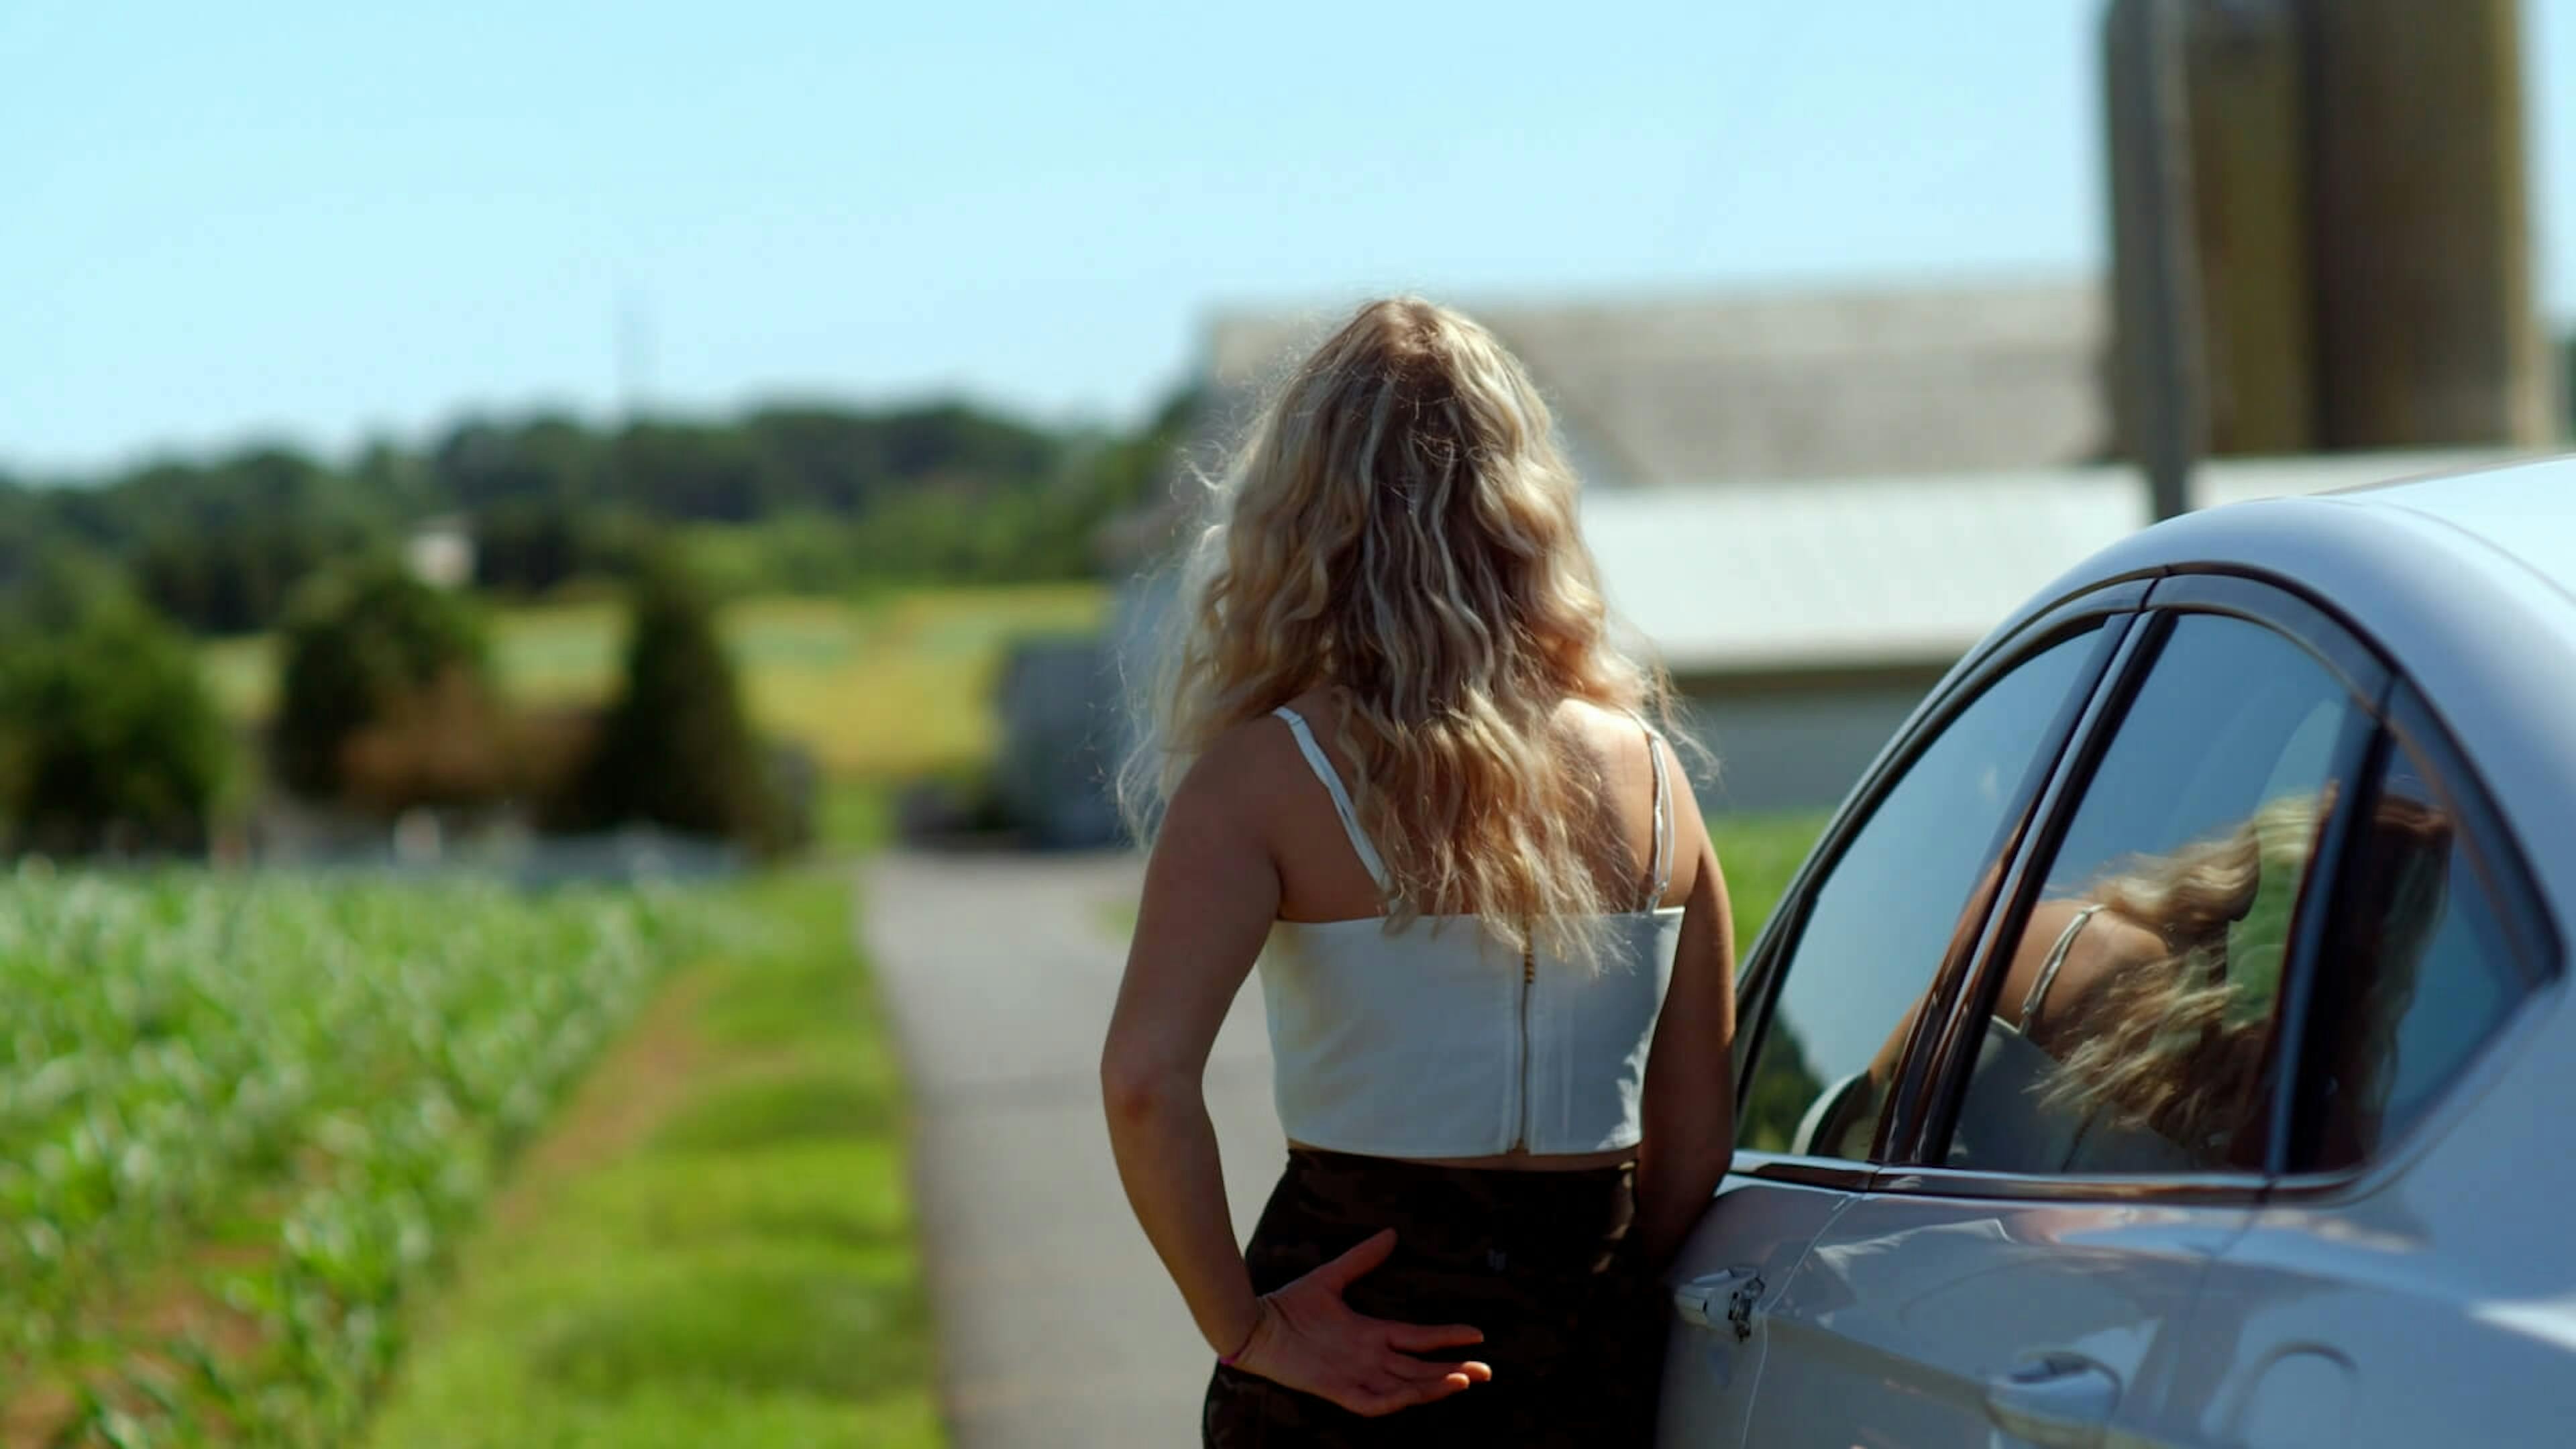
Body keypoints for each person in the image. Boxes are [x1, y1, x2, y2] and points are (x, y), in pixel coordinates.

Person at [1097, 297, 1738, 1446]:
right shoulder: (1652, 776)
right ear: (1525, 505)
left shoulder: (1262, 778)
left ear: (1301, 514)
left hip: (1349, 1356)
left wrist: (1246, 1331)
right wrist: (1585, 1301)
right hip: (1582, 1356)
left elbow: (1146, 1084)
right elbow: (1693, 1137)